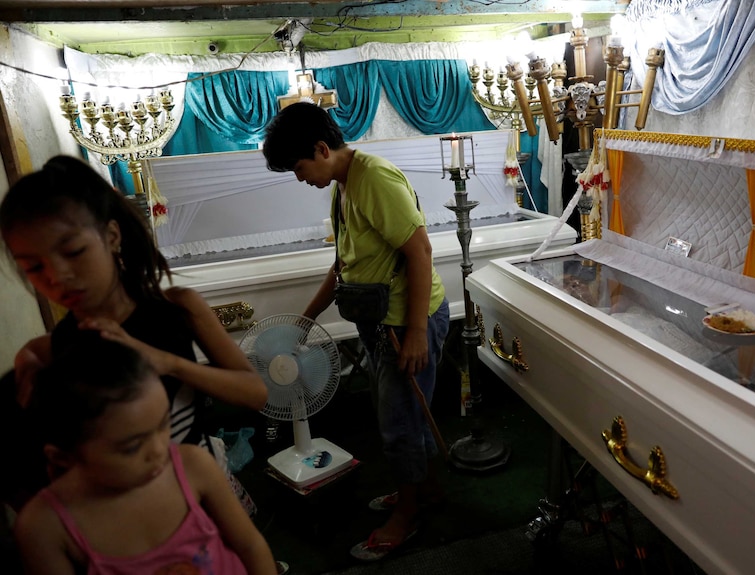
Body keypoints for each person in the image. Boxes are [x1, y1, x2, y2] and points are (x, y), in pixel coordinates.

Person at [0, 155, 268, 510]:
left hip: (202, 491)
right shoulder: (65, 345)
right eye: (34, 267)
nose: (57, 276)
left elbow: (256, 394)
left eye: (74, 251)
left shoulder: (178, 308)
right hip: (133, 513)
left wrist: (169, 363)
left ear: (111, 236)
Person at [263, 102, 450, 561]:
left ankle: (407, 516)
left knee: (399, 423)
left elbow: (420, 252)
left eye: (299, 167)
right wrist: (305, 319)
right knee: (401, 414)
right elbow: (343, 266)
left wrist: (417, 333)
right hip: (379, 321)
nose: (300, 178)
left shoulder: (375, 179)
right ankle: (423, 490)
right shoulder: (343, 184)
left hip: (405, 323)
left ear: (322, 149)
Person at [14, 334, 278, 574]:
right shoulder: (45, 528)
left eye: (164, 424)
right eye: (131, 447)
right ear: (63, 457)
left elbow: (251, 545)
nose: (159, 450)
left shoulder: (193, 465)